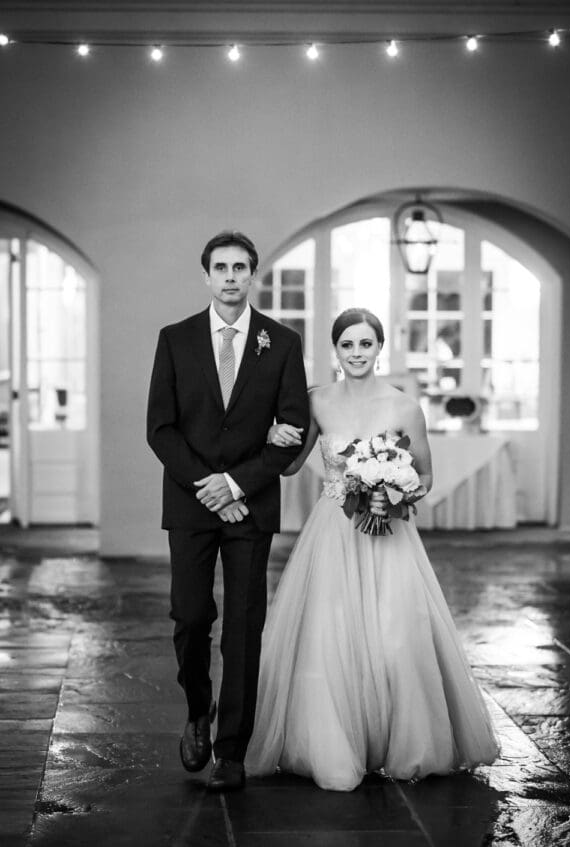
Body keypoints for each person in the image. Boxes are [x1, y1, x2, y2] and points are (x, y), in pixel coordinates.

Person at [245, 307, 499, 791]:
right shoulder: (317, 401)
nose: (357, 353)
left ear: (379, 347)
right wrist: (271, 434)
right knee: (330, 634)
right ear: (335, 351)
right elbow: (291, 466)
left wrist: (396, 491)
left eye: (366, 344)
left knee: (395, 635)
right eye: (347, 345)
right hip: (334, 531)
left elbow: (425, 476)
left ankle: (402, 743)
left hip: (390, 537)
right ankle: (334, 744)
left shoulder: (404, 407)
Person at [147, 230, 310, 792]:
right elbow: (160, 429)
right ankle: (199, 708)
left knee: (244, 627)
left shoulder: (282, 343)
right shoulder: (175, 339)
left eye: (241, 267)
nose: (232, 276)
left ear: (253, 274)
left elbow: (290, 434)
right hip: (192, 506)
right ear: (207, 276)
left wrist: (236, 484)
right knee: (191, 617)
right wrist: (206, 485)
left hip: (251, 507)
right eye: (221, 267)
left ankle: (233, 750)